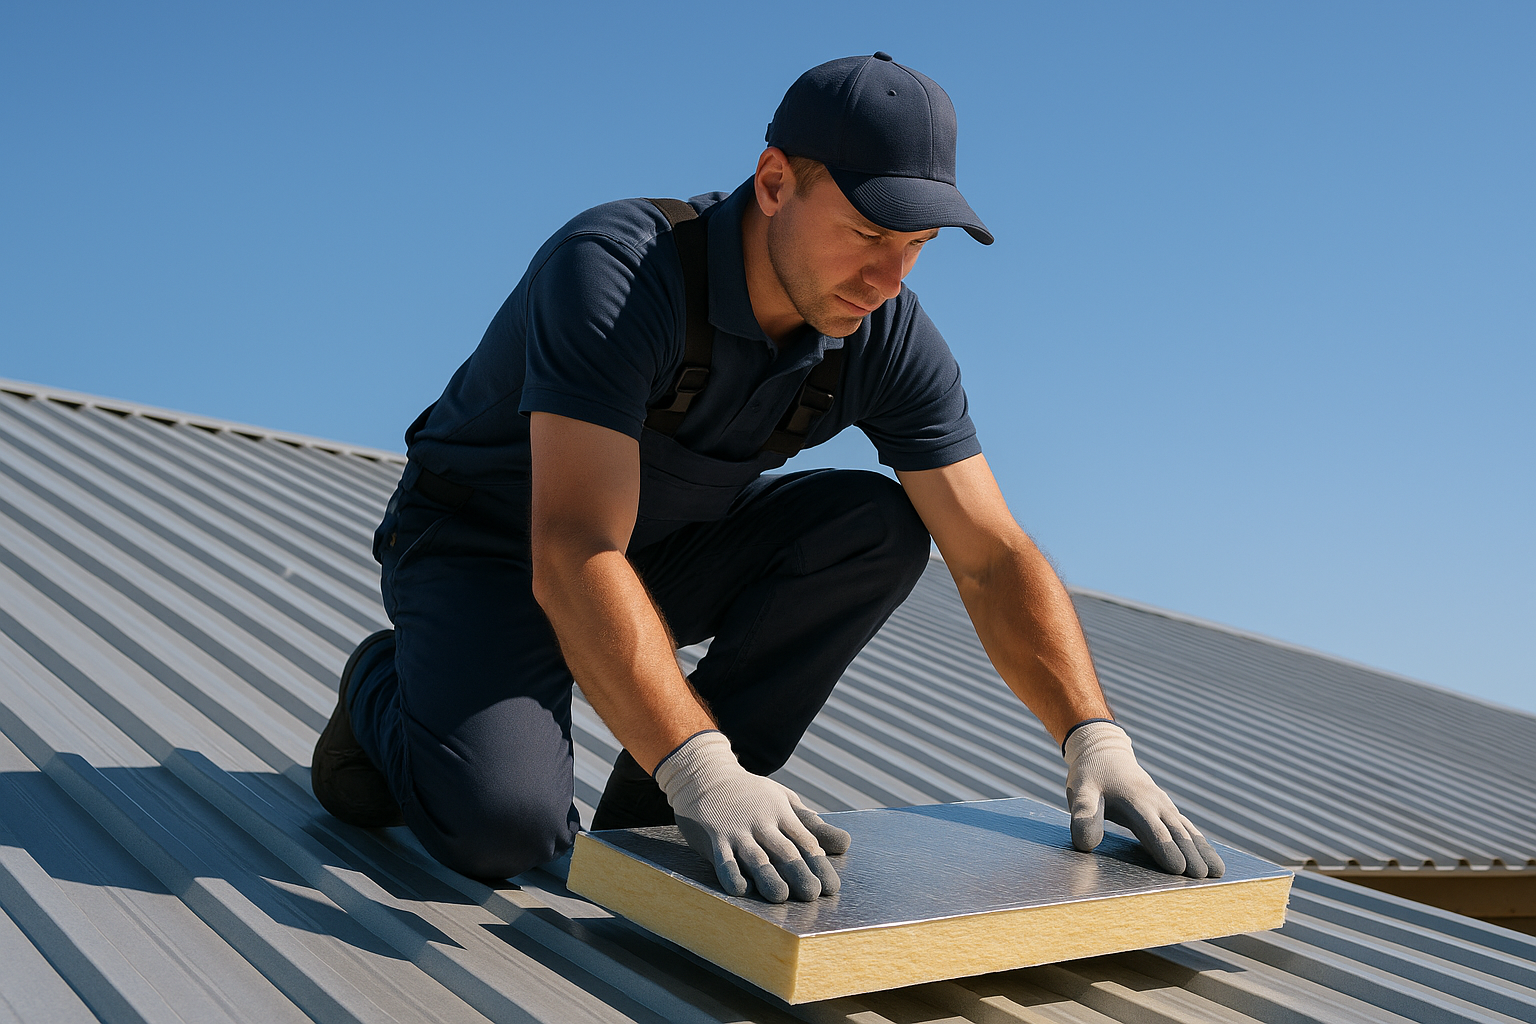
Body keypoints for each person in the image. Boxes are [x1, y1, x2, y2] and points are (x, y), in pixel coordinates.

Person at [312, 52, 1224, 903]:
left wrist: (1092, 735)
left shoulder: (885, 335)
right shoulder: (618, 272)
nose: (886, 278)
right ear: (775, 180)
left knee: (878, 524)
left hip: (657, 557)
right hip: (488, 553)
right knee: (501, 835)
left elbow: (989, 553)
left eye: (915, 246)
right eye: (866, 232)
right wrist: (698, 764)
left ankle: (656, 816)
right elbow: (574, 545)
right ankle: (389, 684)